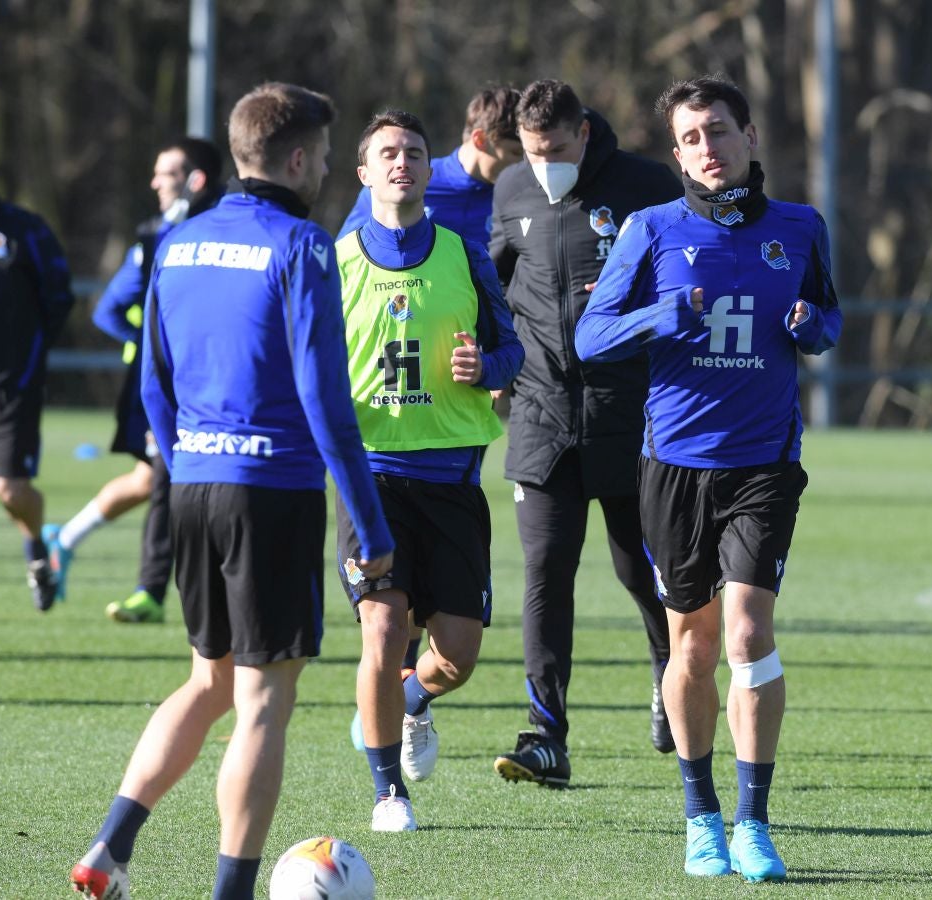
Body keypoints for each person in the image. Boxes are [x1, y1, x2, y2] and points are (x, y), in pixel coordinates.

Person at [69, 82, 394, 900]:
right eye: (323, 155)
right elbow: (327, 404)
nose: (328, 167)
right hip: (271, 493)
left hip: (194, 485)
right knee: (261, 703)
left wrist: (186, 470)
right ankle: (232, 893)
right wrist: (371, 525)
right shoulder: (303, 245)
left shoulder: (177, 243)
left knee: (209, 680)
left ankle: (110, 847)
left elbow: (151, 384)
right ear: (294, 158)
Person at [574, 75, 842, 883]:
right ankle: (700, 817)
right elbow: (591, 337)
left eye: (719, 131)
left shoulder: (800, 228)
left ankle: (755, 822)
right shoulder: (650, 230)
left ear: (751, 137)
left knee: (749, 635)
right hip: (674, 468)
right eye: (690, 138)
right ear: (677, 152)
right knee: (689, 647)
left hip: (763, 463)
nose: (707, 149)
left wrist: (811, 328)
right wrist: (666, 316)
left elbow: (827, 316)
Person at [487, 79, 681, 787]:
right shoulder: (512, 189)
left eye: (557, 150)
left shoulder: (646, 186)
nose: (545, 164)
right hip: (540, 417)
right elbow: (493, 283)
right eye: (534, 153)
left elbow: (680, 276)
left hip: (630, 414)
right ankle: (546, 736)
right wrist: (494, 354)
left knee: (641, 569)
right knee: (545, 575)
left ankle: (670, 675)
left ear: (585, 135)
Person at [336, 109, 523, 833]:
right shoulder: (338, 259)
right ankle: (388, 793)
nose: (402, 163)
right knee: (382, 632)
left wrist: (487, 367)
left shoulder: (465, 252)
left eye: (413, 151)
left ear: (427, 165)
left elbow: (515, 352)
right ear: (365, 173)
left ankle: (410, 701)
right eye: (386, 153)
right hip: (371, 478)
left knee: (458, 657)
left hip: (451, 482)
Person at [43, 137, 224, 622]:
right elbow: (107, 311)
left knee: (154, 479)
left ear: (195, 180)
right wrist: (150, 347)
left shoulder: (210, 232)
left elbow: (108, 313)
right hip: (169, 391)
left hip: (211, 388)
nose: (154, 182)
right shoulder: (154, 237)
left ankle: (67, 538)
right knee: (165, 480)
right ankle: (152, 590)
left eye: (165, 172)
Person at [0, 129, 73, 621]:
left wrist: (28, 356)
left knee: (11, 490)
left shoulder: (25, 229)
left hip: (8, 385)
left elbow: (58, 298)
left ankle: (38, 549)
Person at [338, 85, 522, 246]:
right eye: (516, 153)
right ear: (480, 139)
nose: (523, 164)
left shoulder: (518, 196)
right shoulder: (404, 183)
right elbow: (344, 264)